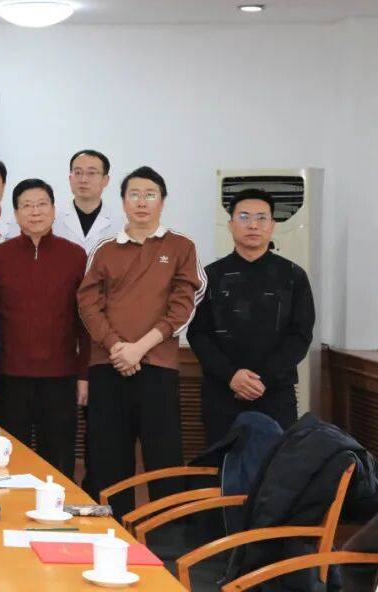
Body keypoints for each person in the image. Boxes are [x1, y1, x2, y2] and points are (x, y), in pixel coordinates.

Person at [77, 166, 206, 515]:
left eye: (150, 194)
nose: (142, 202)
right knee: (107, 459)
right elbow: (87, 304)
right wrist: (117, 347)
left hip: (158, 367)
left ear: (162, 201)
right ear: (122, 201)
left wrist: (139, 348)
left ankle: (167, 536)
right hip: (108, 365)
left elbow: (184, 305)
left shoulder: (181, 246)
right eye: (134, 194)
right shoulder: (105, 249)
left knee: (163, 457)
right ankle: (112, 531)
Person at [188, 188, 315, 444]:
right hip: (221, 392)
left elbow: (300, 335)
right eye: (244, 217)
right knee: (221, 463)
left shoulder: (293, 275)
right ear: (230, 224)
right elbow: (198, 334)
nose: (253, 225)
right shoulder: (210, 276)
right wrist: (231, 376)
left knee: (276, 464)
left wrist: (263, 380)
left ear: (272, 225)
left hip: (275, 393)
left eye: (261, 218)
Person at [0, 179, 90, 478]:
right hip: (9, 378)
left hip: (60, 377)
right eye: (27, 206)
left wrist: (83, 375)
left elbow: (85, 322)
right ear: (16, 214)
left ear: (54, 210)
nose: (35, 212)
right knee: (6, 461)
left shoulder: (75, 255)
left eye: (42, 204)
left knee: (57, 462)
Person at [53, 149, 122, 256]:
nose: (83, 179)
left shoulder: (122, 224)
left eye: (91, 173)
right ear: (70, 178)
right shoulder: (53, 220)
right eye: (78, 173)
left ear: (105, 180)